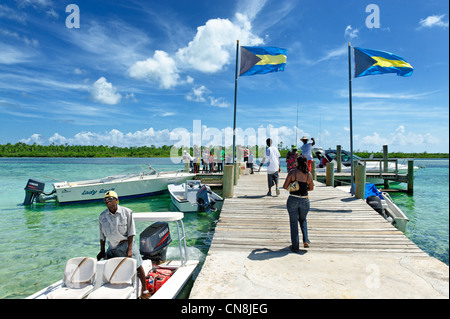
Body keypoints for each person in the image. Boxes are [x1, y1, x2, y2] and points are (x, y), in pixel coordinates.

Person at [97, 191, 151, 299]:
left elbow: (131, 232)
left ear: (116, 200)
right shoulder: (102, 216)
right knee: (105, 266)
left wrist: (130, 249)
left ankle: (144, 290)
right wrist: (102, 250)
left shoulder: (127, 212)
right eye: (105, 199)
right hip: (112, 246)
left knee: (137, 265)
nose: (107, 201)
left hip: (126, 243)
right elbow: (102, 236)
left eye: (110, 198)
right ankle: (111, 288)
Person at [283, 155, 314, 252]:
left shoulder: (293, 173)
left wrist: (294, 187)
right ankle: (306, 240)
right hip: (305, 200)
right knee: (303, 220)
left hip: (293, 199)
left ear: (297, 162)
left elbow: (285, 186)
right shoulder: (309, 174)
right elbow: (311, 188)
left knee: (293, 223)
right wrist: (304, 189)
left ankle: (295, 247)